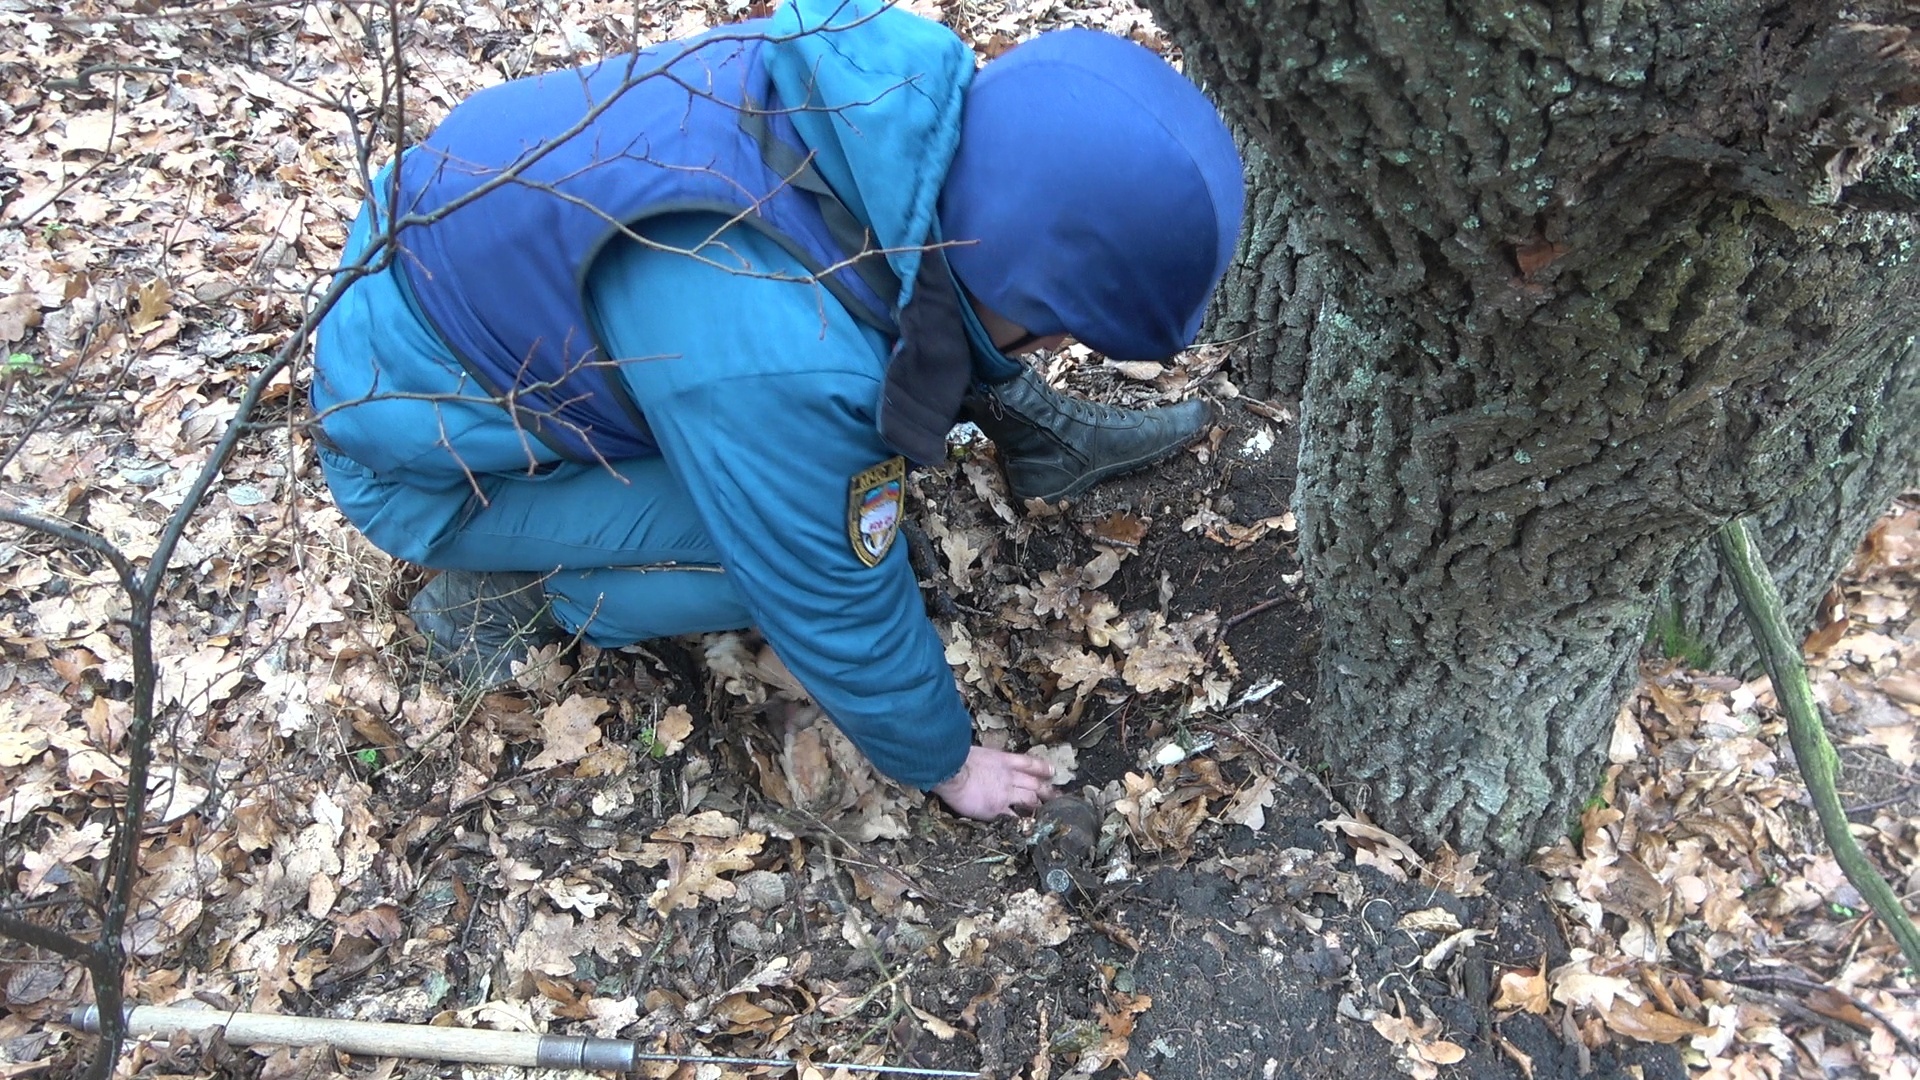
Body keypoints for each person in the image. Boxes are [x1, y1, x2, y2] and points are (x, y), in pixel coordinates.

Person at [309, 0, 1245, 820]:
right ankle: (515, 595)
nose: (1052, 348)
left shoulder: (886, 96)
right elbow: (830, 590)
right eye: (1055, 329)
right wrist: (945, 762)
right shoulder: (779, 352)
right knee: (766, 557)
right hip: (428, 464)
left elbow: (919, 299)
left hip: (427, 303)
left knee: (809, 492)